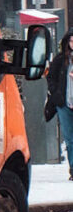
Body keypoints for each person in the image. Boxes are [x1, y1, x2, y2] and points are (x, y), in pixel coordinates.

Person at [44, 27, 73, 181]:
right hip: (64, 103)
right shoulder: (61, 59)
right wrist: (56, 94)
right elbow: (51, 77)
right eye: (72, 40)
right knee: (69, 139)